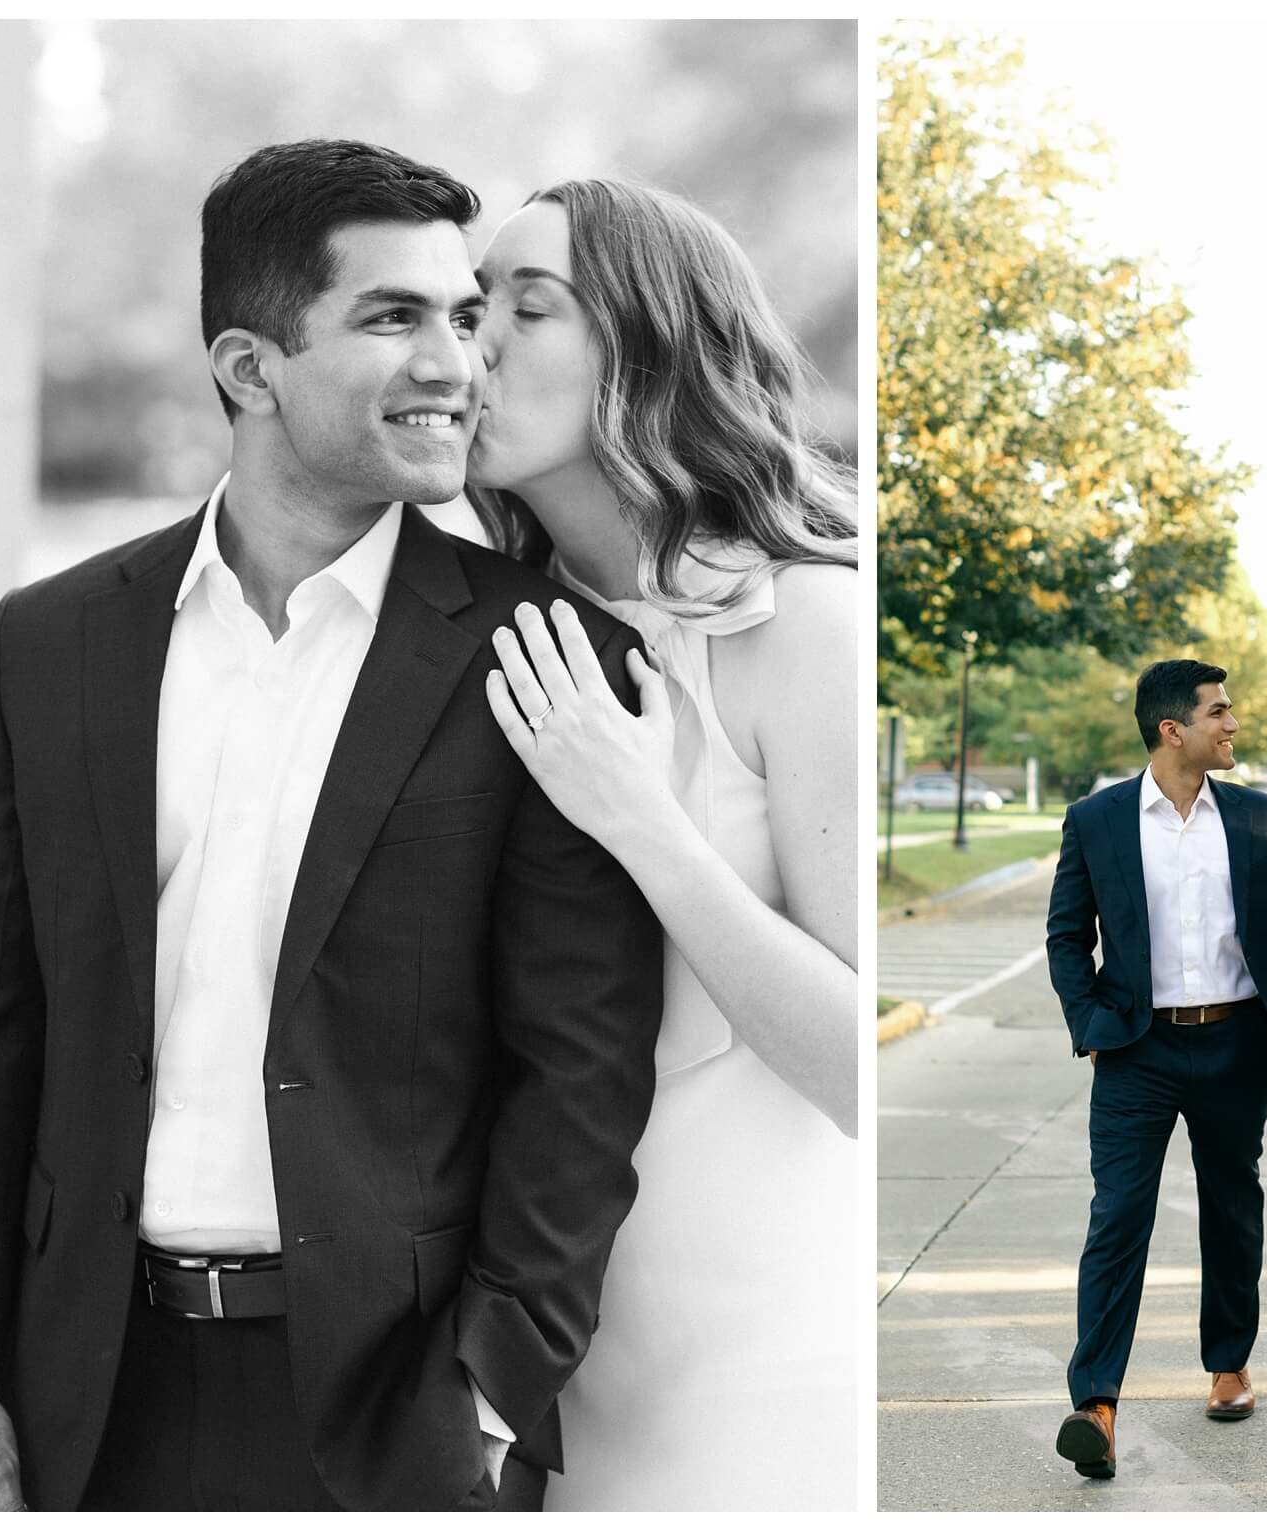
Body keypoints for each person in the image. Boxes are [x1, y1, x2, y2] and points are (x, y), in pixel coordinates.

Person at [0, 139, 665, 1511]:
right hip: (84, 1387)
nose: (454, 364)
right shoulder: (50, 641)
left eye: (466, 318)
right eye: (393, 317)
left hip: (393, 1404)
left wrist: (490, 1385)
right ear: (251, 368)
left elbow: (582, 1064)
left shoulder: (541, 655)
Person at [469, 179, 858, 1509]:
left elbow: (864, 1067)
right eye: (475, 306)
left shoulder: (797, 626)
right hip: (541, 1363)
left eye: (530, 304)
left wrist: (642, 820)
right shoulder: (497, 640)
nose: (478, 342)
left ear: (650, 342)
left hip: (762, 1361)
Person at [1045, 659, 1267, 1479]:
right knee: (1118, 1216)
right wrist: (1092, 1022)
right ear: (1174, 730)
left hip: (1235, 1043)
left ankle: (1229, 1363)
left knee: (1231, 1208)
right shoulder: (1095, 821)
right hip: (1138, 1050)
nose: (1233, 725)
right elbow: (1066, 936)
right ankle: (1095, 1401)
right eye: (1219, 713)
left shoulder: (1256, 816)